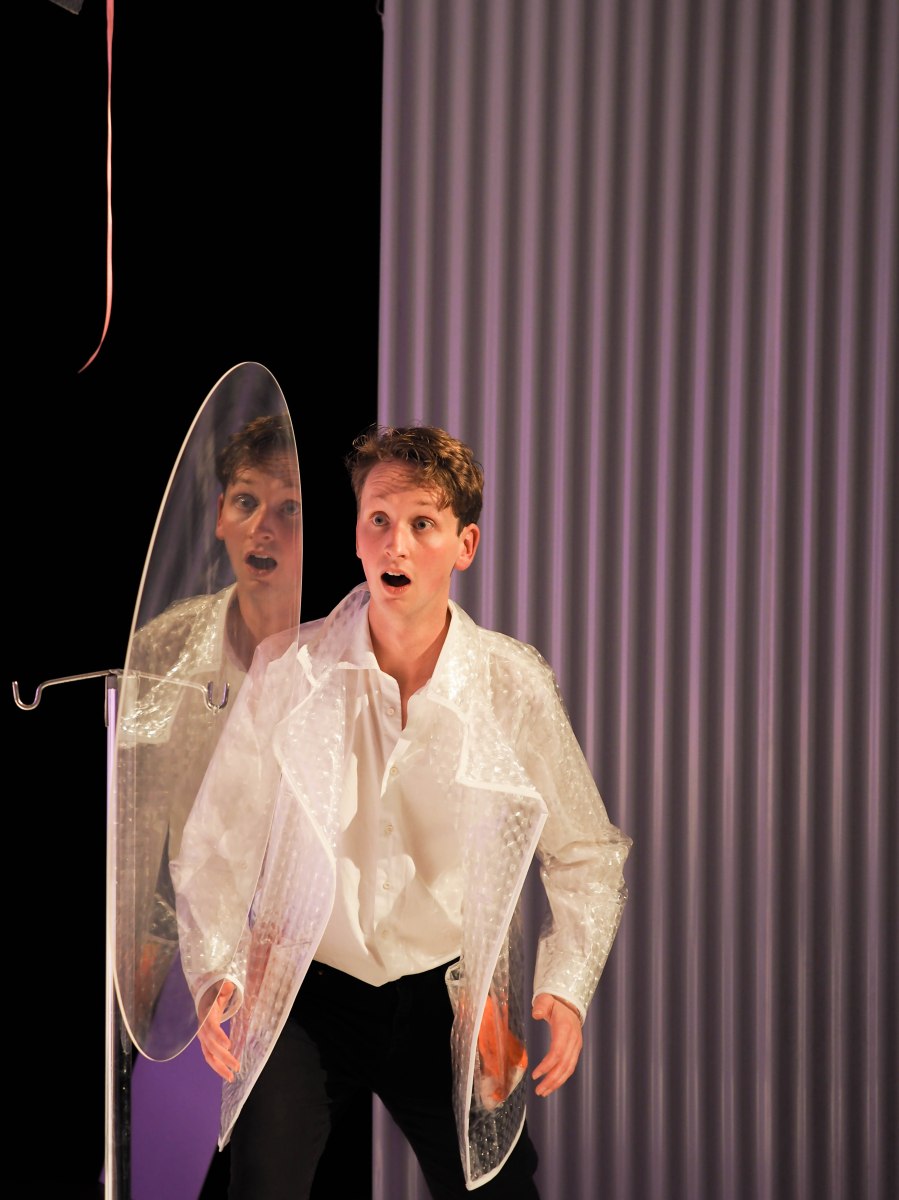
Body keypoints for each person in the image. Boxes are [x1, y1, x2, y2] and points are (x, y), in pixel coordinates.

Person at [172, 424, 632, 1198]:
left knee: (499, 1189)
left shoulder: (509, 683)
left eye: (422, 524)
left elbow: (587, 852)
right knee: (260, 1181)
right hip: (310, 988)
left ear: (464, 544)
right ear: (355, 535)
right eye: (379, 520)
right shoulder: (290, 669)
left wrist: (564, 985)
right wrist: (215, 968)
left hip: (446, 995)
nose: (397, 544)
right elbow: (218, 840)